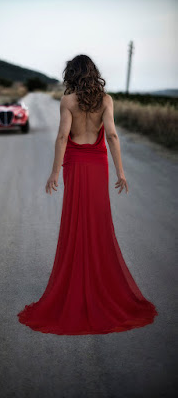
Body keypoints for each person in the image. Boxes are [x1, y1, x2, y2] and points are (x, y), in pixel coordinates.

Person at [17, 54, 158, 335]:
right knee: (98, 221)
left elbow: (62, 137)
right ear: (93, 73)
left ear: (72, 74)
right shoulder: (106, 100)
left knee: (74, 220)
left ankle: (76, 280)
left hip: (74, 164)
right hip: (97, 165)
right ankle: (98, 282)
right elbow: (112, 136)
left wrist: (55, 172)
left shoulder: (68, 101)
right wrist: (120, 172)